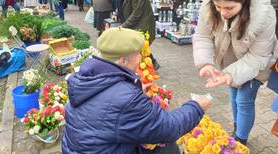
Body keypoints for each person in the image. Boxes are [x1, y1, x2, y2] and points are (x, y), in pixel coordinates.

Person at [62, 27, 211, 154]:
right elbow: (167, 128)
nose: (141, 57)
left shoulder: (85, 75)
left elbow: (108, 106)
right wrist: (196, 106)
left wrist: (133, 89)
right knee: (166, 147)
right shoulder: (126, 98)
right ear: (123, 60)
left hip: (80, 149)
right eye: (138, 53)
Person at [193, 0, 277, 145]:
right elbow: (202, 36)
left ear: (244, 0)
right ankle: (237, 128)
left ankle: (240, 140)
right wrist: (205, 63)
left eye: (229, 8)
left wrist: (230, 74)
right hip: (229, 60)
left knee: (244, 99)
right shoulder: (209, 5)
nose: (222, 13)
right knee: (233, 94)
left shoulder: (264, 15)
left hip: (257, 62)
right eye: (218, 6)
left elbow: (258, 56)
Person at [112, 0, 160, 70]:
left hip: (142, 25)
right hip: (133, 24)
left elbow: (136, 14)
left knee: (140, 48)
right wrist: (116, 13)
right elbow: (121, 3)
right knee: (139, 48)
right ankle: (149, 66)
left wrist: (123, 26)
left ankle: (149, 69)